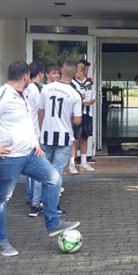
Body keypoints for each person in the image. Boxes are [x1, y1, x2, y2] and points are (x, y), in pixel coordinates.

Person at [0, 61, 80, 257]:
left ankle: (53, 223)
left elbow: (27, 121)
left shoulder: (24, 94)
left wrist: (34, 141)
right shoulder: (3, 95)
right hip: (7, 159)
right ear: (25, 77)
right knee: (1, 199)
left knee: (53, 178)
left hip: (30, 154)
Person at [38, 59, 84, 216]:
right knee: (56, 171)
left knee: (44, 169)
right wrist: (67, 118)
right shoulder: (75, 94)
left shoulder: (46, 88)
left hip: (46, 135)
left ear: (62, 71)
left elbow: (41, 112)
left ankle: (39, 201)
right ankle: (52, 204)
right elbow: (77, 120)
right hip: (64, 137)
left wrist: (42, 129)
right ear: (75, 74)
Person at [24, 62, 46, 211]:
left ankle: (30, 194)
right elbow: (40, 110)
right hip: (35, 130)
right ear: (40, 73)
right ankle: (34, 198)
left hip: (27, 129)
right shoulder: (36, 89)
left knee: (29, 163)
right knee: (36, 164)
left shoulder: (25, 88)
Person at [69, 59, 96, 173]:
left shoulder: (89, 83)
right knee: (75, 139)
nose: (75, 73)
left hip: (87, 114)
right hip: (76, 114)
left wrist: (90, 102)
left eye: (77, 71)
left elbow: (93, 98)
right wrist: (80, 98)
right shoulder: (72, 84)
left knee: (85, 137)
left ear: (83, 71)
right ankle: (72, 163)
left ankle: (84, 162)